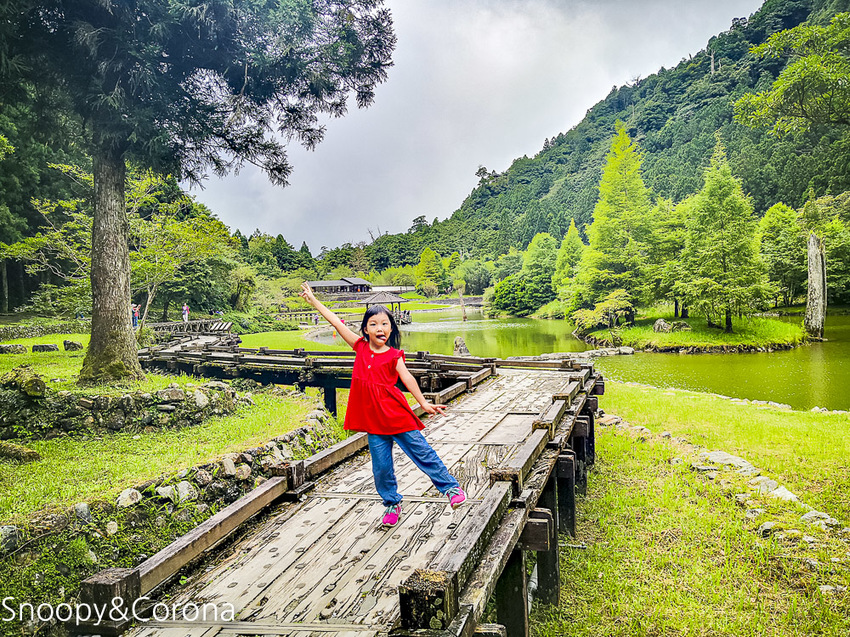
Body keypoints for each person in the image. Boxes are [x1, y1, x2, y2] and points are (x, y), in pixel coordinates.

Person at [299, 282, 466, 527]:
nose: (380, 328)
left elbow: (407, 378)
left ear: (391, 328)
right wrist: (313, 301)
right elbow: (336, 322)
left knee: (423, 454)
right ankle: (391, 503)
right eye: (374, 324)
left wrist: (424, 403)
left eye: (385, 324)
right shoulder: (360, 347)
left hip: (397, 416)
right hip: (374, 422)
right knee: (382, 469)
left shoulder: (394, 355)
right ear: (365, 329)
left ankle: (450, 488)